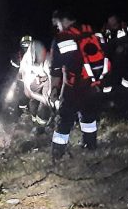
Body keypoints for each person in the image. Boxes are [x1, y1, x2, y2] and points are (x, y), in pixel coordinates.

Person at [49, 10, 110, 161]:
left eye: (57, 24)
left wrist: (54, 89)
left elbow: (55, 70)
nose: (57, 28)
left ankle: (58, 153)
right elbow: (105, 53)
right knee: (89, 116)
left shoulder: (61, 39)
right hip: (93, 83)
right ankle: (90, 146)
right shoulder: (92, 31)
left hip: (73, 86)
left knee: (65, 119)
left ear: (62, 21)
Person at [14, 35, 53, 127]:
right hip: (34, 78)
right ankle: (33, 120)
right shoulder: (26, 59)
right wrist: (27, 89)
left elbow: (51, 78)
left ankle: (42, 126)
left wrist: (50, 93)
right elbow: (22, 74)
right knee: (33, 100)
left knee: (45, 102)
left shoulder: (48, 60)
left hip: (46, 78)